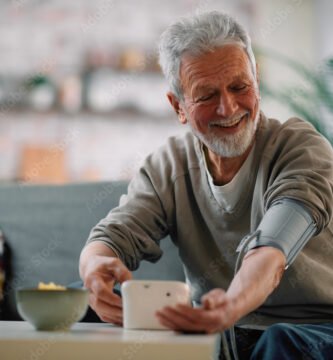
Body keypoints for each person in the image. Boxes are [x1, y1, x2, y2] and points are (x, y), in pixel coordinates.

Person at [79, 11, 333, 359]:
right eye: (206, 95)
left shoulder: (300, 148)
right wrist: (94, 268)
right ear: (179, 106)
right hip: (220, 328)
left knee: (279, 341)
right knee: (79, 298)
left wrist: (230, 307)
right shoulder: (168, 165)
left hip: (315, 328)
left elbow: (271, 252)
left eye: (239, 87)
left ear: (256, 82)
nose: (227, 107)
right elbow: (111, 237)